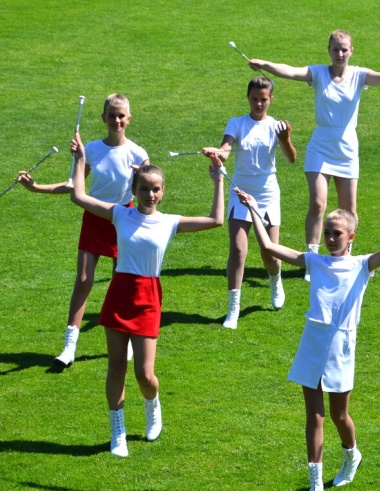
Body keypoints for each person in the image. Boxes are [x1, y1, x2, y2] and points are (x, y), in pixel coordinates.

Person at [236, 188, 380, 491]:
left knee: (340, 416)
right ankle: (315, 482)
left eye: (336, 234)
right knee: (314, 416)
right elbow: (268, 245)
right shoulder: (314, 261)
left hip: (340, 347)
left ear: (351, 236)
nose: (329, 238)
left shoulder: (362, 265)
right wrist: (251, 207)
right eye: (327, 233)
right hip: (312, 341)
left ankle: (351, 455)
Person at [69, 132, 225, 457]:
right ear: (133, 190)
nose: (150, 194)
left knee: (144, 374)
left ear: (163, 191)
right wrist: (80, 158)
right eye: (144, 189)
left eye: (155, 189)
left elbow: (216, 220)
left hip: (148, 297)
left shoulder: (169, 222)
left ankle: (152, 403)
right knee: (116, 368)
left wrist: (217, 178)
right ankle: (118, 433)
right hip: (118, 294)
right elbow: (79, 196)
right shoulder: (120, 214)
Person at [247, 29, 380, 262]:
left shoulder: (359, 75)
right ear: (328, 51)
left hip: (346, 147)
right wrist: (264, 64)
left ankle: (347, 255)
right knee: (318, 204)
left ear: (351, 51)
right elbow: (291, 71)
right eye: (335, 49)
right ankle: (312, 259)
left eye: (344, 49)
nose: (340, 54)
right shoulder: (317, 73)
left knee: (349, 209)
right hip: (321, 145)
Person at [16, 94, 149, 368]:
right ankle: (69, 346)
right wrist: (35, 187)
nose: (117, 120)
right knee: (84, 280)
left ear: (130, 119)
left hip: (124, 220)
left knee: (120, 285)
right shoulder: (91, 149)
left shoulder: (139, 154)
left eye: (121, 115)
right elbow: (73, 186)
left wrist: (140, 176)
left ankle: (123, 343)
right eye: (112, 115)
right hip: (94, 219)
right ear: (103, 119)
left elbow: (150, 193)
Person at [202, 76, 297, 329]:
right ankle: (233, 309)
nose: (258, 104)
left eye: (263, 99)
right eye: (254, 99)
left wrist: (286, 138)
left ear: (271, 99)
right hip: (241, 192)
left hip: (267, 194)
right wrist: (216, 153)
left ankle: (275, 280)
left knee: (269, 252)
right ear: (248, 98)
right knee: (238, 250)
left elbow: (291, 159)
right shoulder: (237, 123)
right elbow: (226, 150)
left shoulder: (276, 126)